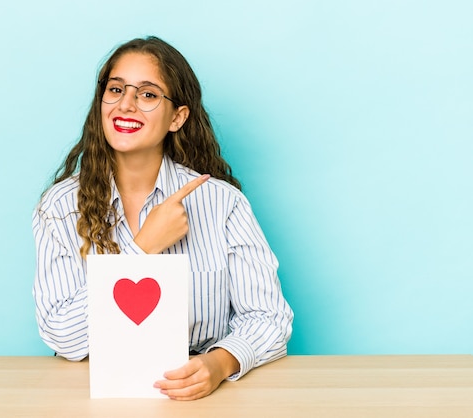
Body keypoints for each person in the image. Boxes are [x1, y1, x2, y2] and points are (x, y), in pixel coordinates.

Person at [32, 36, 293, 400]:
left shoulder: (222, 203)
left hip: (204, 400)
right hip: (98, 397)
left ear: (177, 117)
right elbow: (63, 335)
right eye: (116, 89)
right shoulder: (60, 208)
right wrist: (142, 249)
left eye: (148, 94)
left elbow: (269, 318)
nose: (126, 104)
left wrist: (219, 364)